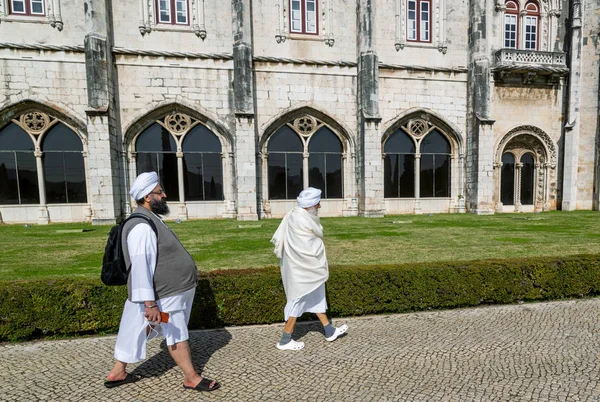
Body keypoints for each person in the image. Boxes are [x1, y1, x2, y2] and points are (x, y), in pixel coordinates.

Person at [104, 172, 220, 392]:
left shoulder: (150, 218)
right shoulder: (141, 226)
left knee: (135, 328)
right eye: (160, 192)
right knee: (176, 330)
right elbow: (140, 268)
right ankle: (191, 378)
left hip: (167, 292)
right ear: (148, 197)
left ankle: (118, 372)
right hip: (165, 294)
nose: (164, 195)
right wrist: (150, 304)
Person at [270, 187, 348, 350]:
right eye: (318, 204)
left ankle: (329, 330)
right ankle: (285, 340)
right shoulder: (300, 219)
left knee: (317, 296)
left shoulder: (297, 214)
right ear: (311, 205)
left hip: (305, 268)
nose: (319, 207)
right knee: (298, 300)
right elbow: (306, 245)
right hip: (301, 268)